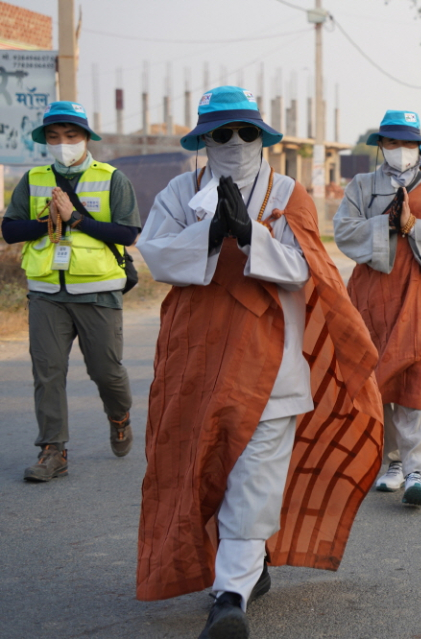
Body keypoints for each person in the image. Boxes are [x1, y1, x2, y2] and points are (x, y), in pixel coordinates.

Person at [135, 86, 384, 639]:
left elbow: (307, 269)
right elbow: (155, 255)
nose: (235, 143)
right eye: (222, 133)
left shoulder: (289, 193)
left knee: (253, 482)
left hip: (271, 366)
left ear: (263, 138)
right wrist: (209, 234)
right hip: (195, 366)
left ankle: (229, 598)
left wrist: (252, 238)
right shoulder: (180, 192)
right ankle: (247, 568)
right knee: (203, 470)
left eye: (247, 132)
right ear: (203, 140)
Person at [1, 101, 140, 482]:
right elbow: (10, 230)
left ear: (85, 138)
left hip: (98, 292)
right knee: (47, 372)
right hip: (46, 292)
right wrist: (46, 221)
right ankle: (53, 450)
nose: (63, 143)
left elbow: (128, 234)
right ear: (45, 140)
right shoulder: (33, 180)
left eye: (71, 135)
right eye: (54, 136)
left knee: (106, 372)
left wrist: (74, 219)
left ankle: (119, 416)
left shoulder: (112, 178)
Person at [334, 110, 421, 506]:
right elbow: (343, 230)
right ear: (381, 146)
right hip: (373, 295)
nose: (400, 150)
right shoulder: (361, 186)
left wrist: (412, 227)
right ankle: (392, 462)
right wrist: (386, 225)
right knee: (380, 380)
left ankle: (416, 470)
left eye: (408, 143)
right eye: (392, 143)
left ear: (420, 148)